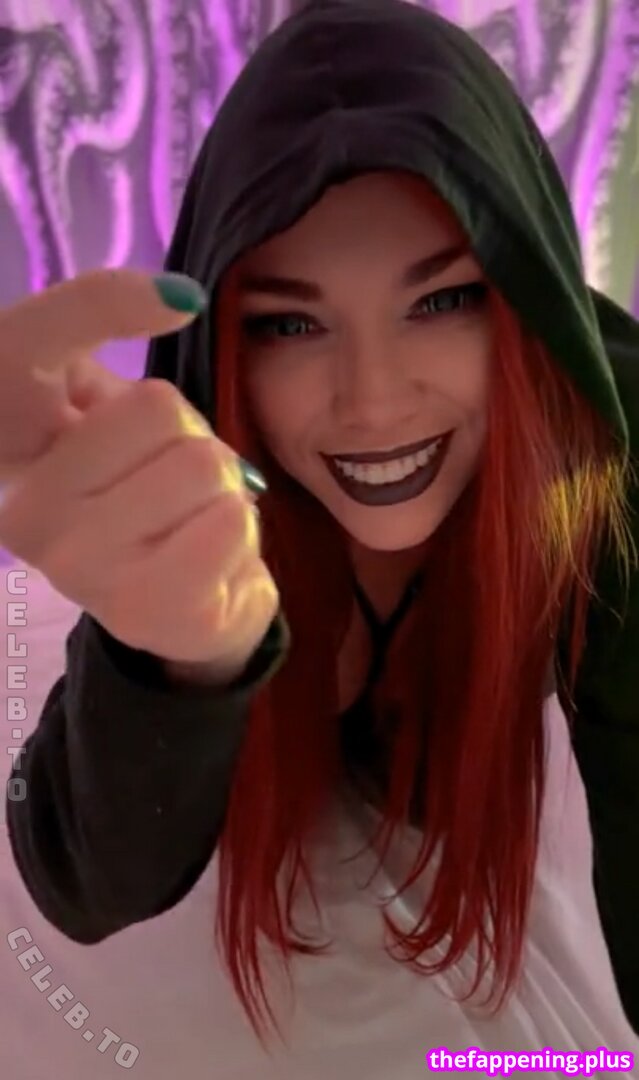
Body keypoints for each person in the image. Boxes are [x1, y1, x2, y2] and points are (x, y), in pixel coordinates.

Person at [1, 0, 639, 1075]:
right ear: (225, 350)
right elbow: (83, 877)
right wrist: (176, 656)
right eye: (289, 323)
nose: (373, 403)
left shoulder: (605, 475)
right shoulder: (210, 477)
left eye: (442, 300)